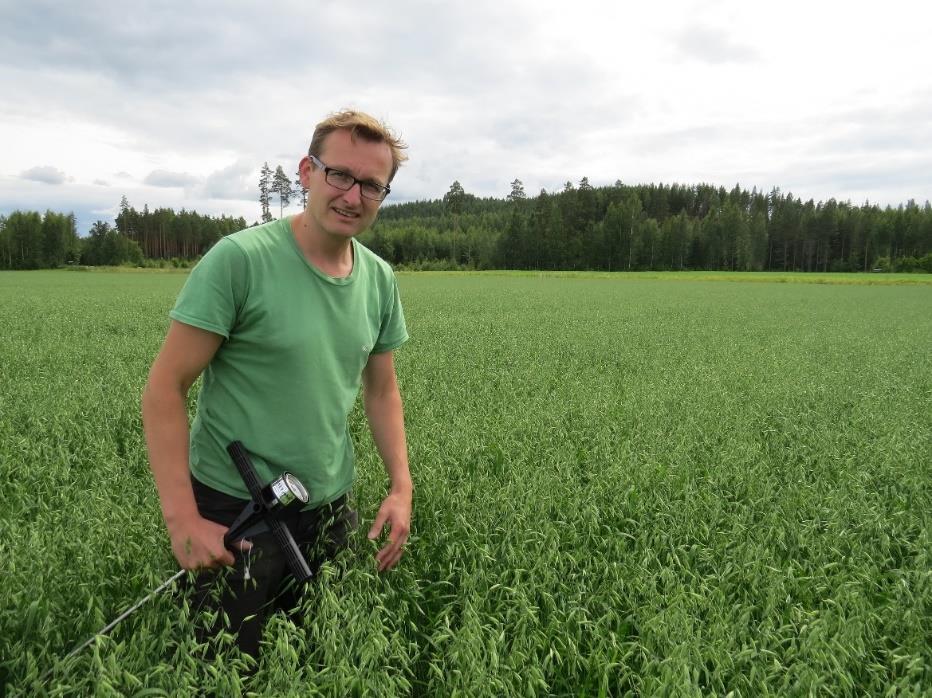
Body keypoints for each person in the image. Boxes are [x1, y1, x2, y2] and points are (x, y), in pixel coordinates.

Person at [141, 109, 412, 658]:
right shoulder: (240, 261)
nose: (352, 196)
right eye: (340, 174)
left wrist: (401, 487)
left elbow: (381, 390)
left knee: (319, 656)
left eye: (371, 186)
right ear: (307, 172)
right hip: (235, 510)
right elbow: (164, 390)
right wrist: (183, 520)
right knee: (226, 664)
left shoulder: (379, 279)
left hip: (331, 506)